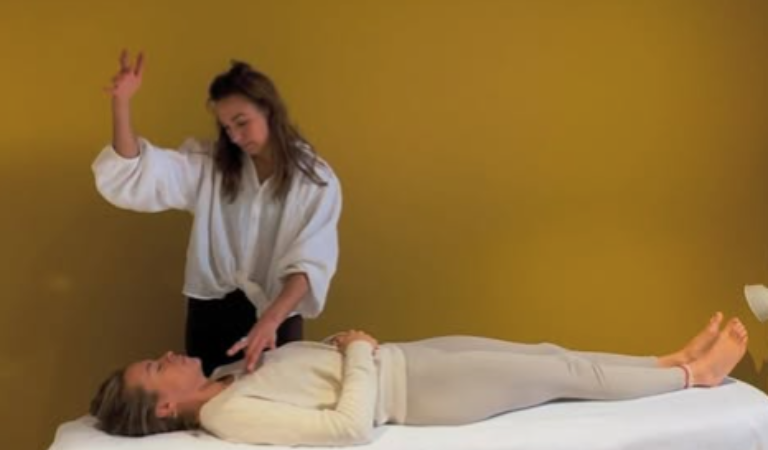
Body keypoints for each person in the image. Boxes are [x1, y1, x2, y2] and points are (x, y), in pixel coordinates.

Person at [90, 312, 748, 447]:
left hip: (411, 359)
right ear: (167, 403)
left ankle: (663, 363)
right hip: (423, 394)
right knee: (561, 373)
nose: (163, 354)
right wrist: (358, 354)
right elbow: (345, 428)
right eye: (154, 367)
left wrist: (358, 349)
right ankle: (694, 377)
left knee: (551, 351)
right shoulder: (228, 416)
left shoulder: (233, 376)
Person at [93, 50, 342, 376]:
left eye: (242, 122)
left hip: (278, 314)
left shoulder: (315, 180)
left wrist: (270, 321)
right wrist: (121, 102)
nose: (235, 136)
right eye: (226, 128)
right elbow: (140, 172)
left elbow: (311, 261)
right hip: (210, 315)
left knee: (275, 410)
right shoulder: (212, 166)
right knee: (206, 411)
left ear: (269, 110)